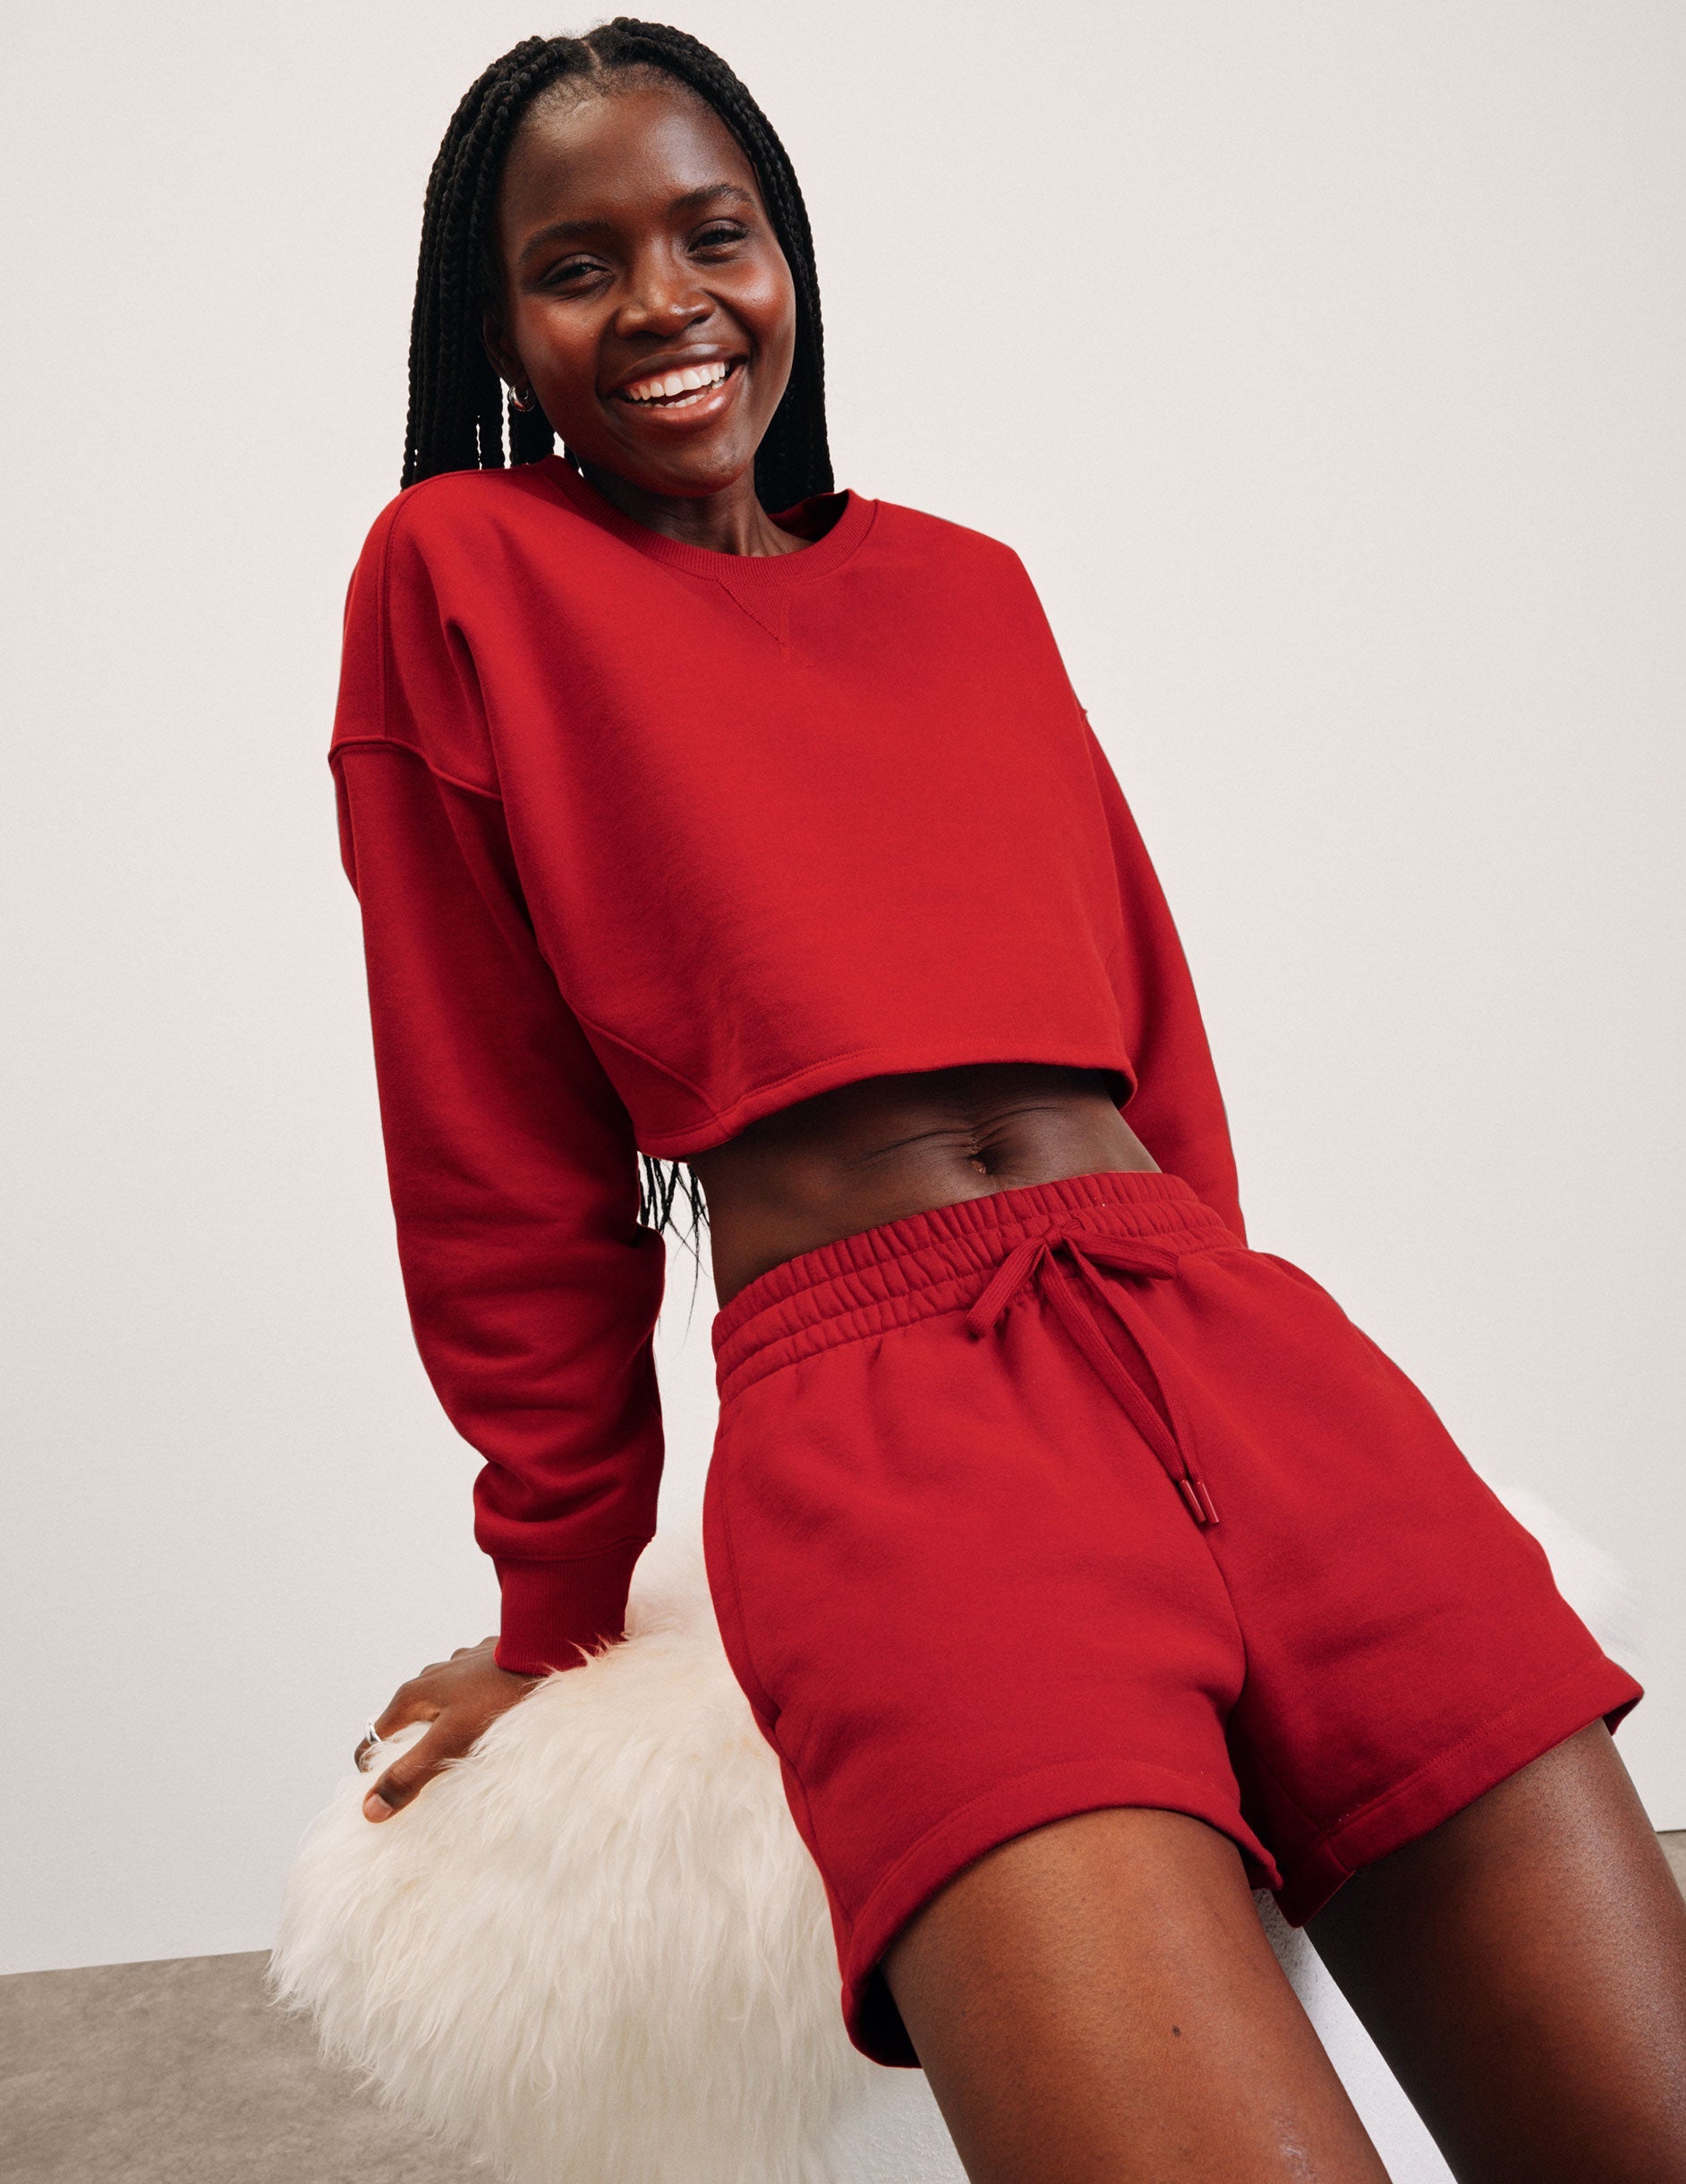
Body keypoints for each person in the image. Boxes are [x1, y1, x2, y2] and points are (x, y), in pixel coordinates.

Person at [330, 22, 1686, 2181]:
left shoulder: (972, 587)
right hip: (886, 1424)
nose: (667, 301)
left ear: (790, 259)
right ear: (494, 325)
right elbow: (496, 1159)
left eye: (716, 233)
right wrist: (552, 1612)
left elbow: (1155, 1029)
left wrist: (1243, 1325)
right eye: (576, 265)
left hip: (1237, 1355)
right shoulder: (464, 575)